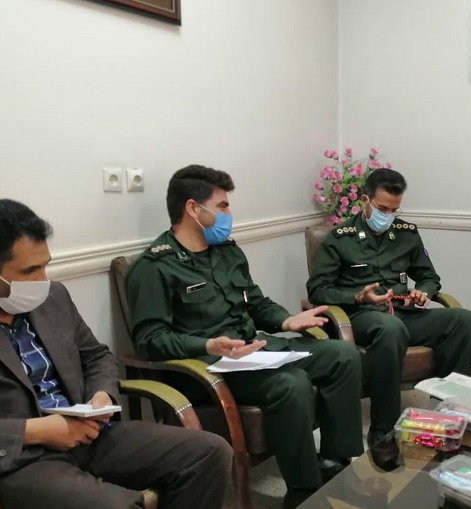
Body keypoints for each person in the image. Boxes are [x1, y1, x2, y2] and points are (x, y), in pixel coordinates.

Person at [0, 199, 233, 509]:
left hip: (88, 434)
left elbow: (96, 356)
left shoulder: (53, 297)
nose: (43, 280)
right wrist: (34, 431)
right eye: (30, 270)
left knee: (210, 453)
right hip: (20, 458)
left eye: (45, 265)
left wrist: (101, 395)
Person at [126, 165, 364, 509]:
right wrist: (207, 345)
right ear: (193, 208)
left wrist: (287, 320)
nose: (228, 214)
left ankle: (334, 463)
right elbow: (150, 339)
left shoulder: (226, 251)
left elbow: (256, 302)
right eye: (222, 206)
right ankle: (302, 491)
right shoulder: (154, 267)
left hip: (253, 350)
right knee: (290, 383)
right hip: (207, 368)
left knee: (343, 355)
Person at [306, 169, 471, 449]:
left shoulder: (406, 233)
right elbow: (318, 290)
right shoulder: (340, 238)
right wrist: (358, 297)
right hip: (361, 316)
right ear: (365, 201)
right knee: (389, 328)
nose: (387, 216)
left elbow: (429, 277)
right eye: (382, 209)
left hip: (403, 313)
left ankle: (450, 414)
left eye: (394, 210)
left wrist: (422, 292)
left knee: (464, 320)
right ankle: (383, 429)